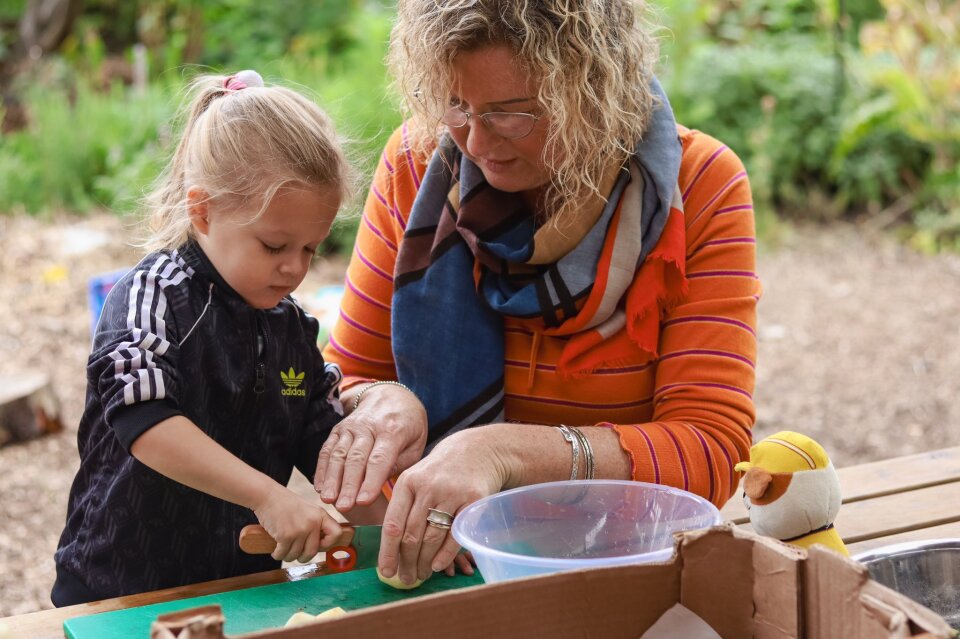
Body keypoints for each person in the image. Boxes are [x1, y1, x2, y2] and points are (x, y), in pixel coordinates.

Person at [316, 0, 760, 587]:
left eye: (511, 113)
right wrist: (382, 401)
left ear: (594, 89)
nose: (474, 141)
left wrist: (504, 453)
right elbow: (342, 382)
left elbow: (711, 449)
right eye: (455, 105)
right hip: (439, 561)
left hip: (616, 565)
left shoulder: (699, 186)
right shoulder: (418, 163)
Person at [51, 70, 423, 605]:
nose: (295, 268)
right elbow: (145, 421)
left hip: (239, 588)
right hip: (119, 590)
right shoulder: (152, 297)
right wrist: (269, 497)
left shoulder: (290, 327)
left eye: (311, 249)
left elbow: (328, 454)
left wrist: (399, 539)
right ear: (202, 210)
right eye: (275, 246)